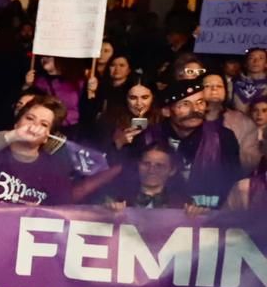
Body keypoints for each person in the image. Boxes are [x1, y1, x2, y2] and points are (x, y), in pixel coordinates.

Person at [139, 79, 242, 210]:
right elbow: (130, 181)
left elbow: (233, 184)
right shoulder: (147, 137)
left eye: (200, 103)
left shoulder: (222, 137)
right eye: (186, 104)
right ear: (166, 111)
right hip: (155, 216)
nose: (195, 110)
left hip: (210, 218)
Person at [0, 96, 75, 206]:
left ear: (47, 137)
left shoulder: (55, 169)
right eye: (30, 118)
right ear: (17, 123)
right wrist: (15, 135)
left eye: (44, 124)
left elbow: (62, 210)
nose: (34, 126)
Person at [103, 144, 188, 210]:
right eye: (146, 164)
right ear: (138, 165)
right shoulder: (116, 197)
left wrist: (195, 214)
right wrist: (109, 213)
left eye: (159, 165)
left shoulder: (183, 203)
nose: (151, 170)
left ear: (172, 170)